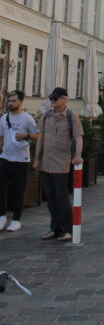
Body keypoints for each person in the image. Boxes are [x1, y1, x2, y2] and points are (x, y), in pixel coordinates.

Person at [33, 87, 83, 242]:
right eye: (51, 99)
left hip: (61, 162)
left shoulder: (71, 116)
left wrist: (78, 156)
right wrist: (37, 158)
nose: (52, 101)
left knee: (61, 196)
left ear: (64, 100)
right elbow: (41, 137)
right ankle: (55, 227)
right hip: (46, 161)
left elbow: (78, 137)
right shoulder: (47, 116)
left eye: (55, 99)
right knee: (50, 197)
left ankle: (68, 229)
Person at [0, 90, 40, 232]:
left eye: (14, 101)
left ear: (21, 102)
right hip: (5, 157)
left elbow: (37, 135)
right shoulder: (4, 118)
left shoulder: (27, 118)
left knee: (19, 190)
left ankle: (16, 219)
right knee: (1, 188)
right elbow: (1, 137)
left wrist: (26, 135)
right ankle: (2, 216)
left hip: (21, 159)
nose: (10, 103)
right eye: (9, 101)